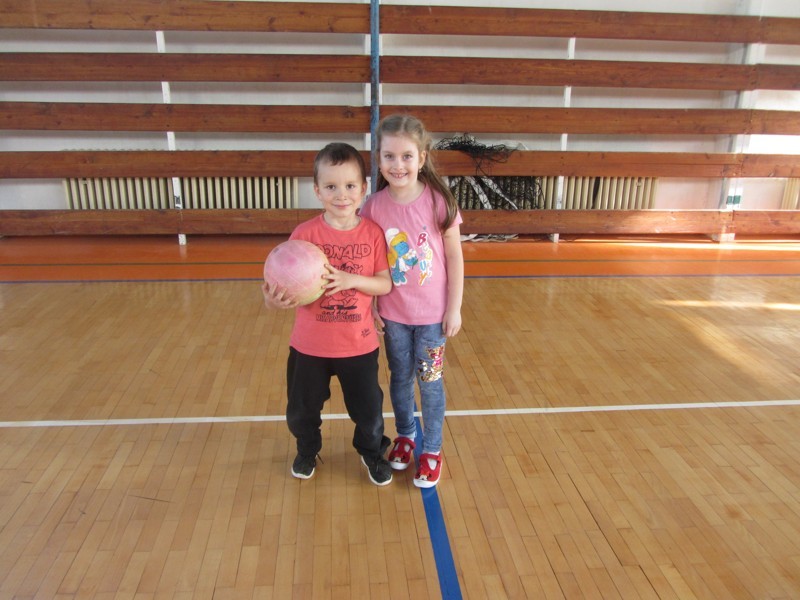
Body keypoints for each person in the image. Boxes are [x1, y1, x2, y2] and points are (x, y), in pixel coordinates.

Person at [262, 142, 394, 486]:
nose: (341, 195)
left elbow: (385, 284)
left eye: (350, 185)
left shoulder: (373, 233)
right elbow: (281, 286)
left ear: (363, 188)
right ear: (317, 190)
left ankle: (371, 452)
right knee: (301, 410)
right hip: (309, 347)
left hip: (358, 345)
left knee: (369, 410)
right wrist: (273, 301)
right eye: (331, 186)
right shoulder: (304, 235)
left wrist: (352, 280)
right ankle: (307, 450)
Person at [360, 114, 464, 488]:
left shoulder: (439, 201)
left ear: (421, 157)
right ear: (378, 158)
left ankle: (432, 449)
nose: (397, 165)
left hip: (433, 318)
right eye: (389, 156)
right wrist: (371, 304)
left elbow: (454, 257)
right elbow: (370, 260)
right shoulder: (373, 206)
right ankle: (405, 435)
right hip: (394, 316)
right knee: (400, 379)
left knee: (430, 382)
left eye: (406, 156)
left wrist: (454, 308)